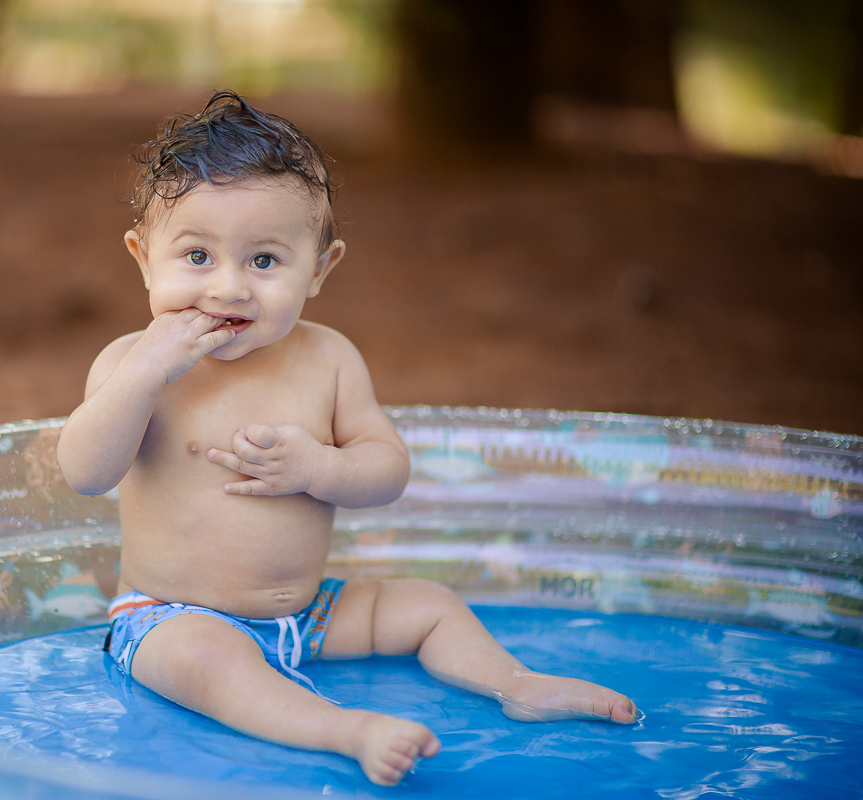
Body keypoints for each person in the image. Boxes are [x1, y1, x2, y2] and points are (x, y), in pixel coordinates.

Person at [56, 91, 637, 786]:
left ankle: (514, 683)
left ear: (319, 269)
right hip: (171, 616)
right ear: (145, 259)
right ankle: (345, 729)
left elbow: (387, 469)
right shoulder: (130, 364)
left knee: (428, 605)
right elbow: (85, 472)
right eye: (198, 257)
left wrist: (318, 468)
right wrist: (146, 373)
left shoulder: (328, 360)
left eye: (264, 261)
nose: (230, 288)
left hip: (312, 613)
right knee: (207, 660)